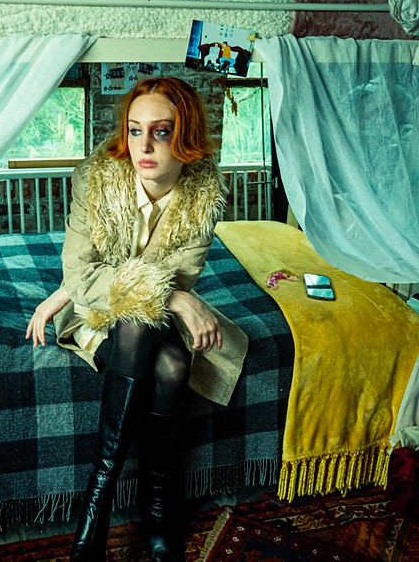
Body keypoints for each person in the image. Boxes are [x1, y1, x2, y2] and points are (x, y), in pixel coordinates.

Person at [26, 77, 248, 561]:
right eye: (134, 130)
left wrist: (173, 296)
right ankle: (125, 504)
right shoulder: (95, 179)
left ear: (185, 136)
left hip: (153, 316)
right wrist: (175, 297)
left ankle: (118, 506)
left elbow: (181, 276)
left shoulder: (203, 192)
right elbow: (82, 276)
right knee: (162, 354)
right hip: (94, 311)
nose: (143, 146)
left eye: (161, 132)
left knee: (162, 349)